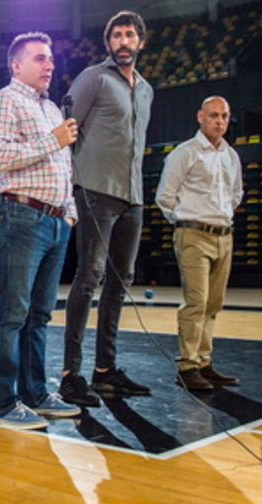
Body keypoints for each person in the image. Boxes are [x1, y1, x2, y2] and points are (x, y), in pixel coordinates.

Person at [0, 31, 81, 430]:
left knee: (39, 315)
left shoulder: (52, 109)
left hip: (56, 221)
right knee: (12, 314)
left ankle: (36, 395)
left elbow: (65, 168)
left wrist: (69, 214)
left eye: (51, 59)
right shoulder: (3, 102)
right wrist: (50, 140)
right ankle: (6, 404)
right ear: (17, 66)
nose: (50, 65)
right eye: (40, 58)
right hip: (19, 215)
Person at [59, 11, 154, 407]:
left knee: (122, 281)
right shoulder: (93, 78)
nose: (123, 41)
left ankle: (104, 371)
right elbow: (67, 133)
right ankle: (70, 374)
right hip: (95, 191)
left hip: (132, 196)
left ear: (141, 42)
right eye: (116, 35)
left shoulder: (146, 90)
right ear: (108, 42)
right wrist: (68, 192)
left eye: (129, 34)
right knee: (89, 277)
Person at [155, 96, 243, 391]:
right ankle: (187, 366)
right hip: (193, 234)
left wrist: (222, 216)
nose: (220, 121)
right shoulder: (185, 153)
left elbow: (236, 194)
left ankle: (204, 361)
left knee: (213, 303)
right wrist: (184, 221)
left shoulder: (230, 155)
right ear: (200, 117)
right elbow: (165, 196)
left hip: (224, 235)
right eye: (213, 115)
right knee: (196, 301)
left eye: (224, 116)